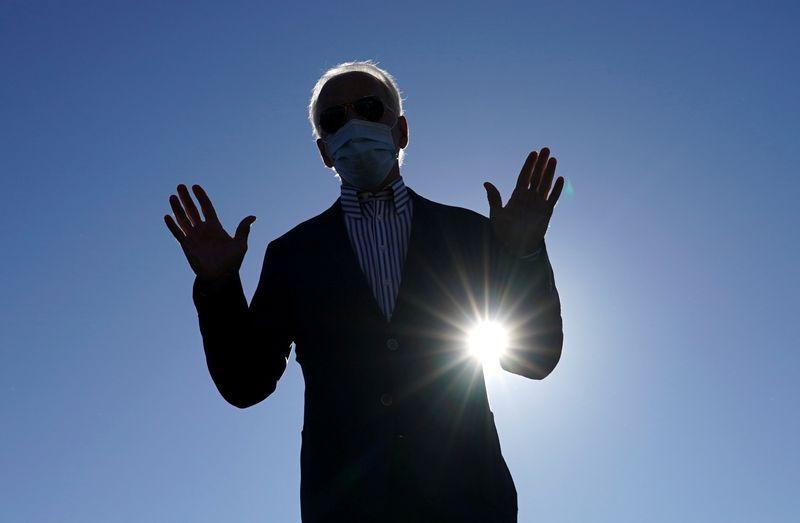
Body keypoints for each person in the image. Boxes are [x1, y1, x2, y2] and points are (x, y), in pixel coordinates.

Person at [164, 60, 565, 523]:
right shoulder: (293, 254)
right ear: (324, 151)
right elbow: (245, 384)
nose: (353, 124)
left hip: (469, 502)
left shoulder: (468, 234)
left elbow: (534, 358)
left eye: (370, 109)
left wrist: (525, 255)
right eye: (334, 119)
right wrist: (218, 286)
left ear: (401, 130)